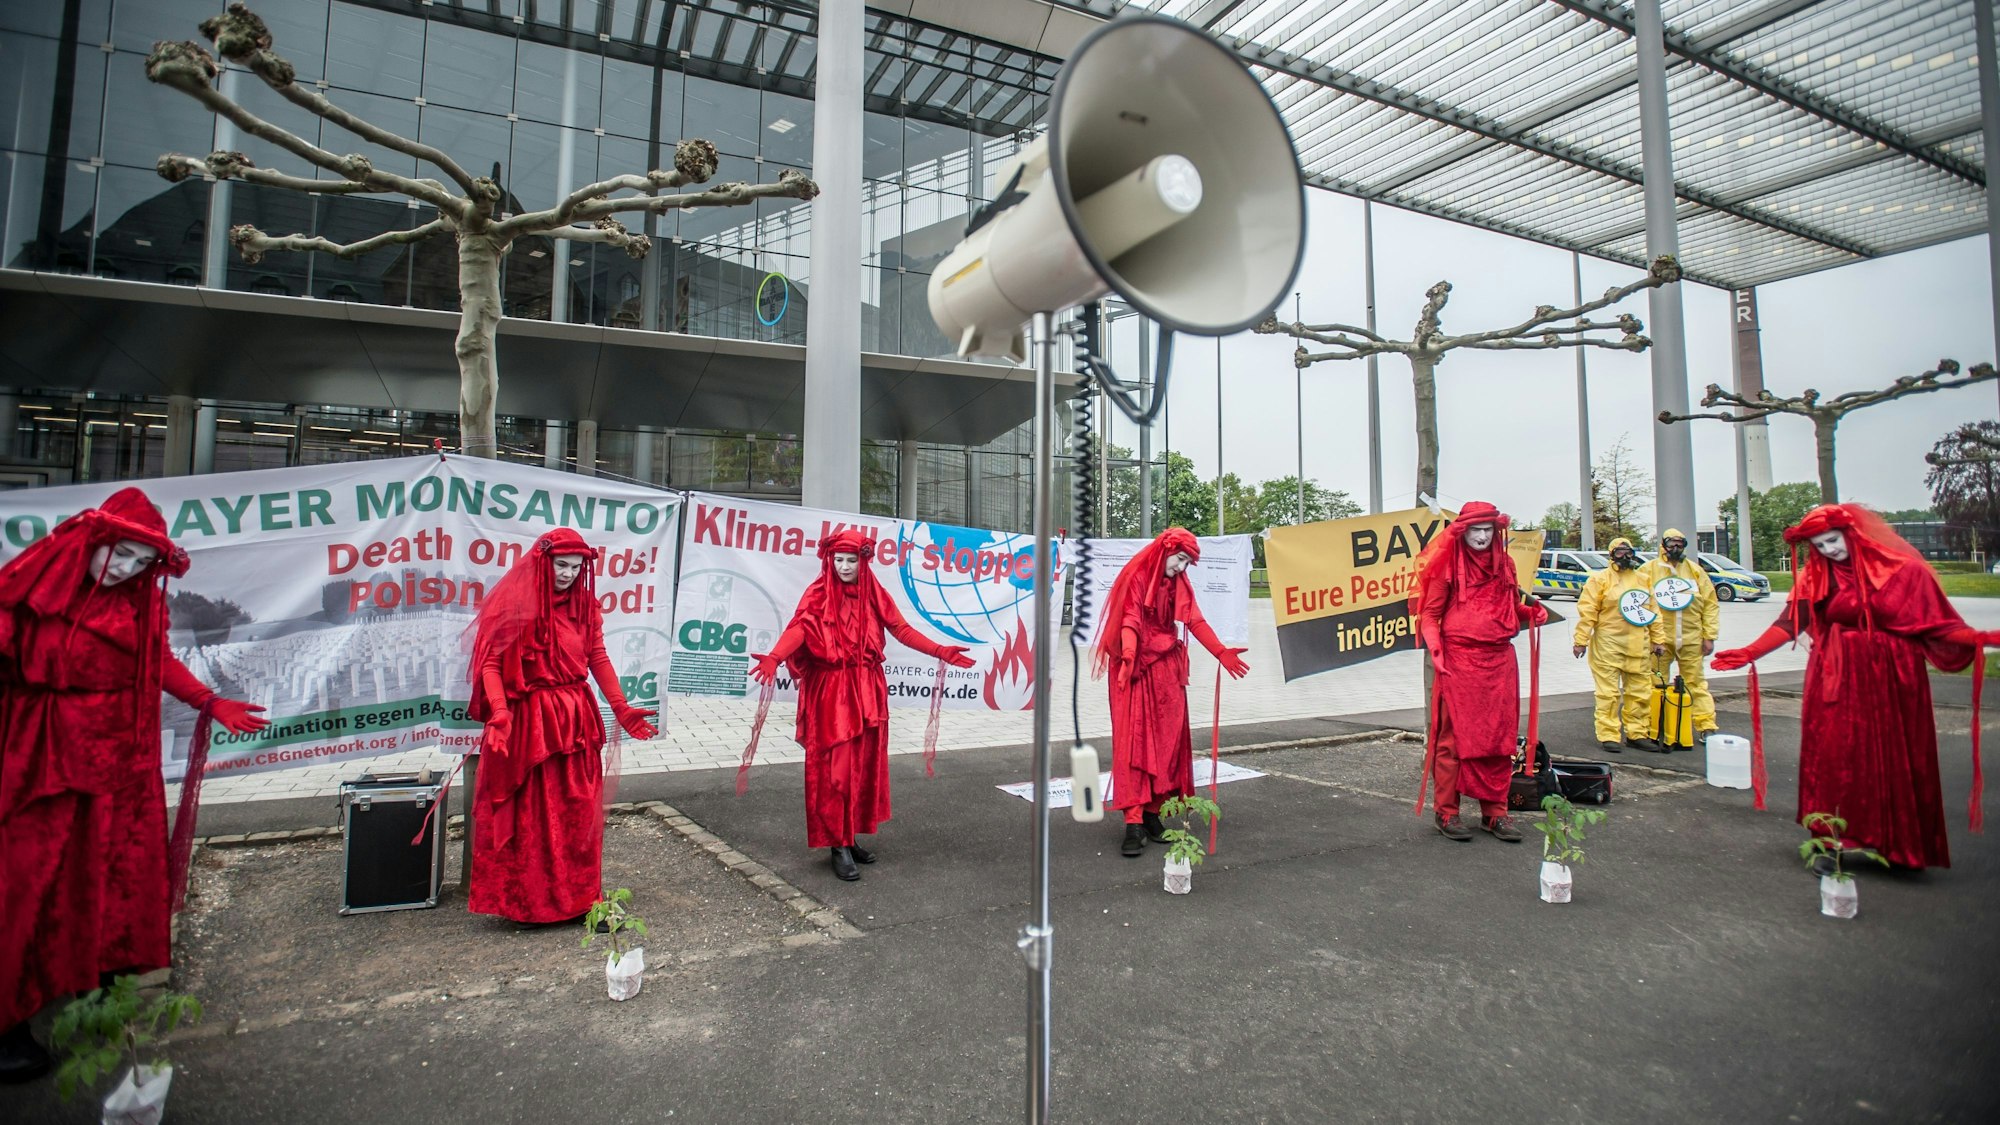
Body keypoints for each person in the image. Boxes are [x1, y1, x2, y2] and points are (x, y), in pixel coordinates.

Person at [0, 489, 269, 1083]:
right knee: (29, 882)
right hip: (46, 757)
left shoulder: (137, 603)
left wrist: (210, 701)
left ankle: (95, 979)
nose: (126, 569)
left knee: (108, 873)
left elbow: (157, 659)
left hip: (120, 758)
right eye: (120, 554)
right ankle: (7, 1019)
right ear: (93, 540)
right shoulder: (29, 591)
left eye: (141, 562)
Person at [1712, 504, 1995, 869]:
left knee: (1895, 755)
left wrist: (1983, 637)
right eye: (1820, 545)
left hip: (1894, 680)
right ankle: (1832, 840)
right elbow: (1790, 623)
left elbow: (1936, 626)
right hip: (1837, 676)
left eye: (1832, 540)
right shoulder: (1816, 577)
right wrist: (1751, 651)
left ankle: (1900, 844)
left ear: (1852, 532)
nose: (1829, 550)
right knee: (1835, 756)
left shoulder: (1903, 571)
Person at [749, 531, 975, 882]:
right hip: (833, 691)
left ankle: (848, 835)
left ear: (863, 560)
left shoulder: (874, 592)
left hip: (868, 687)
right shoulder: (818, 593)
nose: (843, 566)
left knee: (861, 765)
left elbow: (901, 629)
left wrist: (939, 650)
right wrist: (776, 656)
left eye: (851, 560)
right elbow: (800, 629)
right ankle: (836, 843)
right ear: (829, 559)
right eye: (838, 559)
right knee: (835, 768)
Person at [465, 528, 657, 923]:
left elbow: (597, 658)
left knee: (579, 813)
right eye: (561, 565)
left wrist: (620, 708)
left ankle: (582, 900)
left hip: (574, 721)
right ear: (543, 561)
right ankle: (531, 904)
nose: (569, 573)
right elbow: (490, 664)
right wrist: (499, 712)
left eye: (576, 566)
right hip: (528, 723)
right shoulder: (513, 603)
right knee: (534, 817)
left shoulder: (585, 607)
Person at [1094, 527, 1249, 858]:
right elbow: (1130, 621)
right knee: (1133, 744)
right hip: (1133, 671)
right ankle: (1133, 822)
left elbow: (1194, 619)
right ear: (1165, 550)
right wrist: (1130, 657)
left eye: (1186, 563)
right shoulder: (1137, 574)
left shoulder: (1176, 581)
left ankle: (1154, 815)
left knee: (1167, 743)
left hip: (1165, 670)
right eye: (1180, 559)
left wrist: (1221, 652)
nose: (1181, 568)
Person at [1411, 501, 1546, 843]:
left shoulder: (1507, 565)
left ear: (1496, 531)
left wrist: (1529, 613)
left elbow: (1506, 606)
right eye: (1475, 530)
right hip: (1460, 662)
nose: (1482, 536)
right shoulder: (1447, 563)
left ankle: (1495, 813)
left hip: (1499, 661)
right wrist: (1436, 649)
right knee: (1452, 741)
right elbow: (1429, 615)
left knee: (1499, 740)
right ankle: (1447, 812)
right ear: (1463, 531)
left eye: (1488, 530)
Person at [1574, 537, 1668, 753]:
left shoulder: (1643, 579)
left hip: (1638, 645)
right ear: (1611, 554)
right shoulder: (1600, 580)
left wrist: (1658, 639)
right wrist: (1581, 640)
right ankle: (1609, 735)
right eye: (1619, 552)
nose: (1625, 556)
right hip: (1609, 645)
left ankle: (1638, 733)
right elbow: (1588, 612)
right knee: (1608, 693)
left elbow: (1653, 612)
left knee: (1640, 691)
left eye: (1628, 551)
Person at [1639, 528, 1720, 745]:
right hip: (1660, 639)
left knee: (1696, 683)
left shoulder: (1695, 572)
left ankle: (1706, 725)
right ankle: (1654, 724)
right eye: (1671, 544)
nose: (1675, 548)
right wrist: (1647, 636)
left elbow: (1710, 604)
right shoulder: (1647, 571)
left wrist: (1709, 635)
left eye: (1680, 544)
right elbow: (1639, 603)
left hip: (1691, 637)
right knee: (1655, 683)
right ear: (1663, 545)